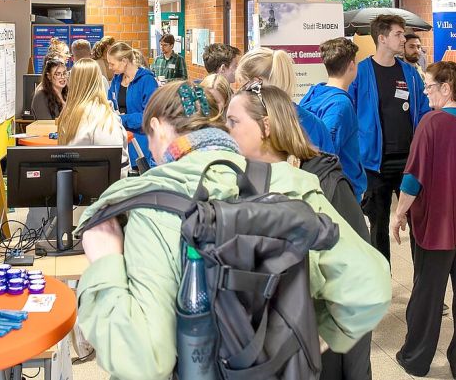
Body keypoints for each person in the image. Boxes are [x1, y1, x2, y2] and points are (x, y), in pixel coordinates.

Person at [76, 81, 392, 380]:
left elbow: (142, 362)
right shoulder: (290, 182)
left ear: (157, 127)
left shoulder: (152, 202)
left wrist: (105, 265)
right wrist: (309, 335)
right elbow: (370, 290)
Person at [227, 81, 384, 380]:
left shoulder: (324, 185)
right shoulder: (237, 182)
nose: (227, 130)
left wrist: (327, 335)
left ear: (267, 126)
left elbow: (364, 279)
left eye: (234, 122)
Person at [389, 61, 456, 379]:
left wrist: (399, 213)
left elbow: (413, 178)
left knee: (428, 294)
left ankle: (415, 357)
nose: (425, 91)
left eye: (429, 85)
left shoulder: (432, 123)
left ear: (446, 87)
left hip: (437, 224)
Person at [348, 14, 431, 263]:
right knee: (378, 226)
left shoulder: (410, 73)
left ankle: (422, 292)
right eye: (398, 34)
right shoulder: (361, 73)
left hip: (410, 161)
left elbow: (424, 110)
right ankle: (381, 284)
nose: (403, 38)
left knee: (417, 225)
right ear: (382, 38)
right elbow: (350, 113)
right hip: (375, 162)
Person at [299, 37, 368, 200]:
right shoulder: (340, 105)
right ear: (352, 66)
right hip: (338, 190)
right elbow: (327, 152)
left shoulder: (314, 93)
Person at [236, 47, 337, 156]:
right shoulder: (314, 124)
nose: (241, 93)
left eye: (242, 86)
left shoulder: (246, 124)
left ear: (255, 83)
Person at [58, 58, 130, 178]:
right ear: (98, 81)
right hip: (108, 187)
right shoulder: (106, 116)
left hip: (86, 185)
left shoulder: (70, 116)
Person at [107, 41, 159, 167]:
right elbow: (109, 103)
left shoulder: (147, 81)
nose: (109, 67)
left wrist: (121, 119)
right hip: (121, 142)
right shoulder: (116, 80)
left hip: (141, 145)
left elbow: (149, 116)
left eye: (112, 63)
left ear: (124, 61)